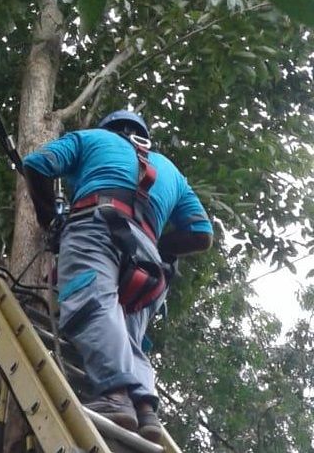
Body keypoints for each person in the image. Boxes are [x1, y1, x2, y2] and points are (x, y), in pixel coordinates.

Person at [22, 110, 213, 442]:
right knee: (129, 336)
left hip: (95, 229)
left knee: (92, 304)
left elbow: (36, 164)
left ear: (109, 129)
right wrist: (157, 245)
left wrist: (49, 218)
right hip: (147, 260)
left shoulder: (90, 139)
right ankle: (145, 410)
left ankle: (115, 396)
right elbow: (201, 233)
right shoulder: (171, 171)